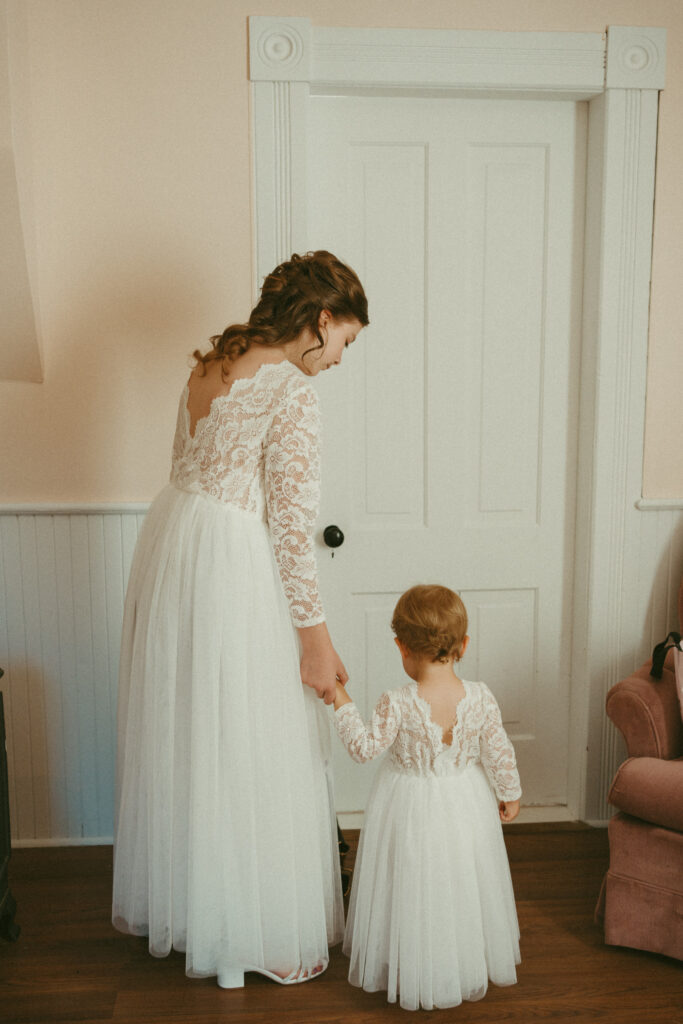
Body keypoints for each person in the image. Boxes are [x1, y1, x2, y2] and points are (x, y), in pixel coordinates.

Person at [112, 251, 368, 988]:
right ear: (320, 320)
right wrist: (315, 642)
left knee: (194, 736)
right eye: (346, 340)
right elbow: (291, 527)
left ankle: (197, 910)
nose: (342, 358)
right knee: (248, 741)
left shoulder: (211, 366)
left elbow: (183, 470)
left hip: (175, 551)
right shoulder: (290, 390)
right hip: (230, 568)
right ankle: (252, 927)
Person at [333, 584, 522, 1011]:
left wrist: (340, 700)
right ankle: (456, 959)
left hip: (409, 805)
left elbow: (363, 748)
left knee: (412, 882)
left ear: (401, 647)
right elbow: (499, 750)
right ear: (464, 645)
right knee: (459, 879)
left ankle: (414, 960)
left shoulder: (396, 702)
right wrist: (510, 793)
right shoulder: (481, 696)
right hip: (466, 802)